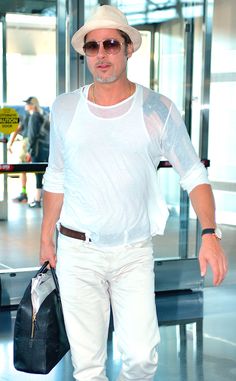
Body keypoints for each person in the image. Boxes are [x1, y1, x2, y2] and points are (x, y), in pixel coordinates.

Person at [40, 5, 228, 381]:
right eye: (92, 47)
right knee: (88, 366)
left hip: (133, 252)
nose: (101, 54)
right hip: (78, 251)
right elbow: (56, 178)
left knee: (141, 358)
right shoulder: (64, 108)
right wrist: (46, 238)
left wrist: (210, 233)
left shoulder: (157, 109)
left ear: (128, 49)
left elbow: (193, 173)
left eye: (110, 44)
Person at [25, 96, 50, 208]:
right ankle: (40, 199)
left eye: (27, 103)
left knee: (38, 175)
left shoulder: (34, 117)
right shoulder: (42, 115)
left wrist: (29, 151)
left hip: (37, 150)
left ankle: (37, 200)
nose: (26, 105)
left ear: (32, 105)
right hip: (45, 149)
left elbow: (32, 136)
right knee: (42, 174)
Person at [8, 107, 30, 203]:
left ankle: (24, 194)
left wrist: (10, 143)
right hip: (28, 145)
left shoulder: (19, 120)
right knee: (24, 170)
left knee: (22, 169)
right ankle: (24, 193)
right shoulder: (26, 118)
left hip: (25, 145)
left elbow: (16, 130)